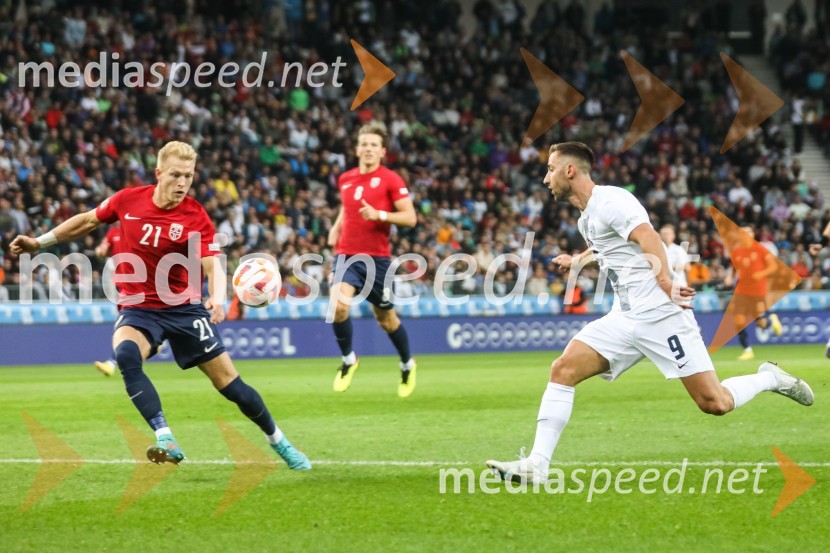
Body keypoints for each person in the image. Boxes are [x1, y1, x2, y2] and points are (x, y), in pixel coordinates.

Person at [486, 142, 814, 484]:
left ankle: (769, 378)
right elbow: (607, 247)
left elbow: (649, 238)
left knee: (714, 403)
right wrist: (578, 260)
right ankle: (538, 465)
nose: (545, 178)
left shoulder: (613, 200)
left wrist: (665, 282)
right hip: (624, 318)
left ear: (570, 170)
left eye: (551, 169)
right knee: (563, 369)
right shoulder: (587, 219)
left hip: (662, 316)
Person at [10, 141, 311, 470]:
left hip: (184, 309)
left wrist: (216, 295)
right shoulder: (128, 200)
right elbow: (86, 221)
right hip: (139, 308)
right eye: (175, 175)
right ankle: (165, 437)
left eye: (189, 176)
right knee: (126, 354)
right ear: (158, 174)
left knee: (232, 387)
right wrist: (39, 242)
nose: (182, 183)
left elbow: (211, 262)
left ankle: (279, 441)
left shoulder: (195, 215)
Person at [327, 123, 418, 397]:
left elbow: (410, 218)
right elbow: (348, 207)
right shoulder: (346, 179)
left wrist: (380, 215)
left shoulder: (391, 179)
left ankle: (407, 364)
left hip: (377, 260)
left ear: (382, 152)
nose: (368, 149)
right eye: (364, 144)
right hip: (347, 254)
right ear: (357, 149)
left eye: (373, 145)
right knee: (338, 307)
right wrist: (336, 226)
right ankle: (348, 360)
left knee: (386, 319)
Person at [723, 226, 783, 361]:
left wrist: (761, 273)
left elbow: (773, 266)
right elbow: (733, 268)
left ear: (752, 234)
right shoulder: (736, 251)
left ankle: (771, 319)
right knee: (738, 320)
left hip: (758, 290)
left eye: (748, 233)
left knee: (761, 323)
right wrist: (729, 277)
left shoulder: (760, 249)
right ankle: (747, 350)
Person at [94, 222, 123, 377]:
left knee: (125, 325)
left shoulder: (138, 228)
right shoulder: (113, 232)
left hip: (140, 285)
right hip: (124, 286)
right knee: (127, 325)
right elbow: (102, 249)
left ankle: (112, 362)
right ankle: (112, 362)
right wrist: (100, 251)